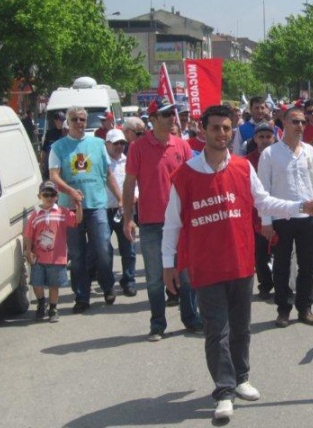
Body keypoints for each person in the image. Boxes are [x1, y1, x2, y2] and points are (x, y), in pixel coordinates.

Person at [161, 104, 313, 421]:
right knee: (216, 332)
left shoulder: (243, 167)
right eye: (215, 128)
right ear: (203, 130)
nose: (222, 133)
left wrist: (300, 206)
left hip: (240, 263)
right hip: (206, 267)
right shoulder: (185, 175)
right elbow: (172, 224)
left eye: (226, 128)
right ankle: (223, 391)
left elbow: (264, 202)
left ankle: (241, 377)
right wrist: (168, 265)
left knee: (240, 329)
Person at [123, 97, 202, 342]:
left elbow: (193, 182)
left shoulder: (182, 145)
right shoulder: (137, 148)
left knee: (186, 274)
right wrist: (128, 218)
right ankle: (157, 324)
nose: (171, 119)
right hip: (151, 223)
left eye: (172, 114)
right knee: (155, 278)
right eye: (166, 115)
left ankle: (191, 318)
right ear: (153, 119)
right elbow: (129, 185)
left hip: (181, 222)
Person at [49, 106, 122, 313]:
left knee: (103, 248)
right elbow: (54, 176)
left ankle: (107, 286)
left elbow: (108, 174)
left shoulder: (98, 144)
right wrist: (70, 191)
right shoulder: (58, 147)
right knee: (77, 254)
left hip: (96, 204)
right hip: (71, 208)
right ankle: (82, 296)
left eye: (82, 119)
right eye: (75, 119)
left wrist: (120, 198)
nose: (79, 123)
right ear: (68, 122)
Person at [258, 106, 313, 328]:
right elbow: (263, 191)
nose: (300, 126)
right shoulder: (269, 154)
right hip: (281, 217)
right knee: (282, 266)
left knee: (307, 266)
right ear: (284, 123)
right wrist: (266, 221)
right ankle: (283, 309)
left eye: (303, 122)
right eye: (295, 122)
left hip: (308, 217)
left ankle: (305, 308)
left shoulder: (310, 151)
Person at [24, 180, 83, 323]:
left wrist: (78, 206)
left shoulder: (62, 212)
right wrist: (28, 251)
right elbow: (28, 235)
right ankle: (41, 303)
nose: (49, 198)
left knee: (53, 285)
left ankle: (53, 308)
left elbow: (77, 220)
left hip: (56, 258)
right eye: (46, 195)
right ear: (39, 196)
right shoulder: (35, 215)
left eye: (52, 195)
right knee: (36, 283)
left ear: (57, 196)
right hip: (38, 257)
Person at [245, 122, 277, 300]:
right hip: (256, 214)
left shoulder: (280, 157)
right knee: (260, 252)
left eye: (268, 136)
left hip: (279, 210)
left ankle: (281, 283)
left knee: (281, 252)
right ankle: (265, 284)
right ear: (255, 139)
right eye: (261, 137)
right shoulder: (247, 161)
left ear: (274, 138)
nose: (265, 140)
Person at [105, 129, 137, 297]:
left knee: (128, 248)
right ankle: (108, 284)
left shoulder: (128, 161)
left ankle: (129, 280)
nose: (119, 146)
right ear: (107, 144)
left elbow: (136, 183)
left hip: (125, 210)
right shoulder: (102, 161)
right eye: (115, 143)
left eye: (122, 143)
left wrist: (135, 196)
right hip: (104, 210)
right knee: (104, 250)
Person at [40, 111, 67, 179]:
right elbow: (44, 149)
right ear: (55, 121)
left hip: (63, 163)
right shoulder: (50, 133)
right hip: (50, 163)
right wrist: (42, 162)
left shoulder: (67, 132)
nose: (61, 122)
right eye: (59, 120)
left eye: (63, 120)